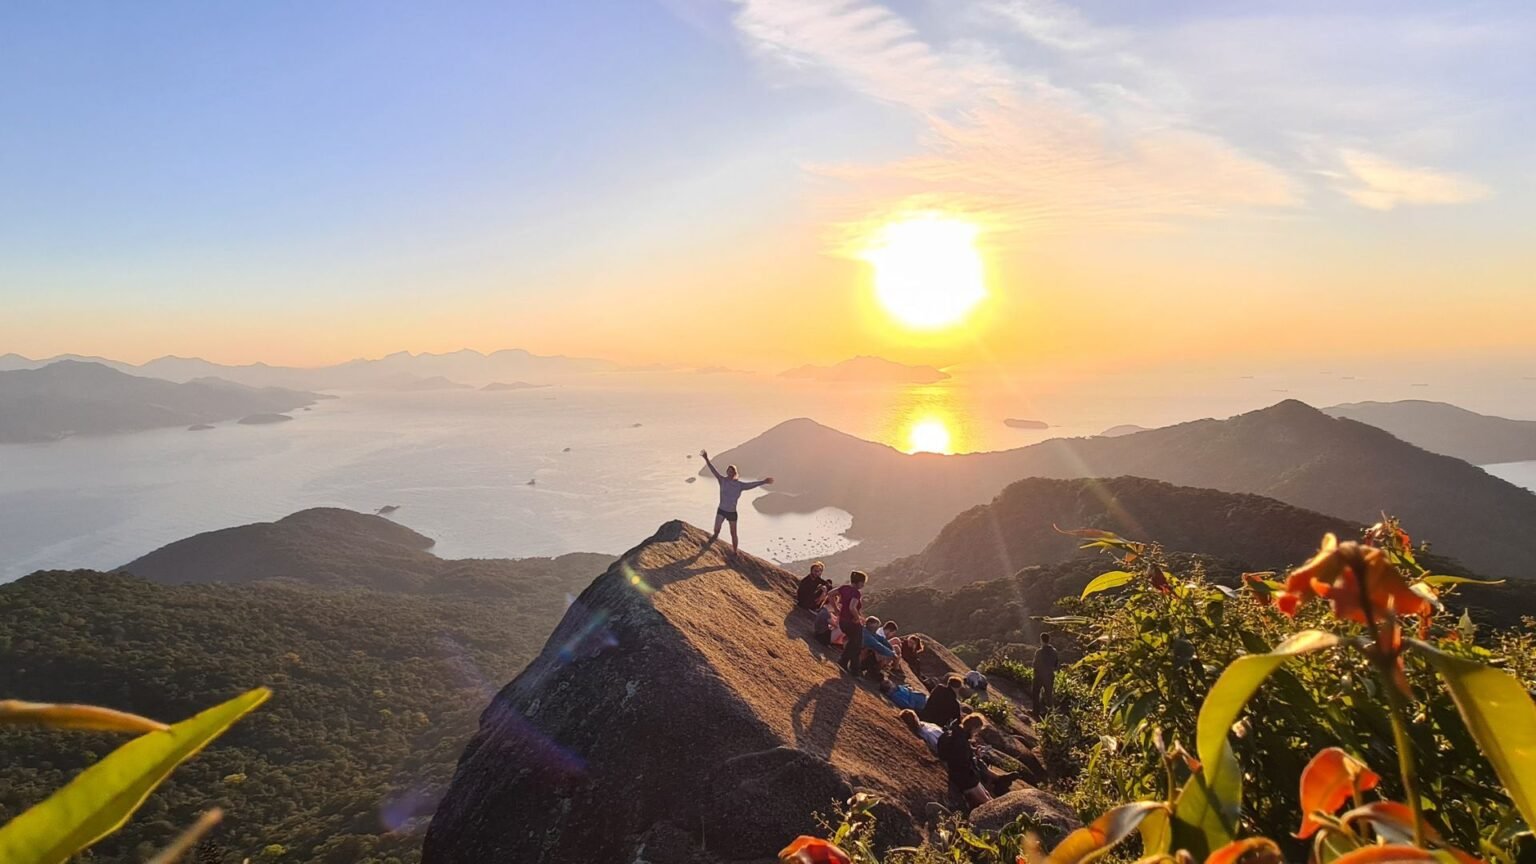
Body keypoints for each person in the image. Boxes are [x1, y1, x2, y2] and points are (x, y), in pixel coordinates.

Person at [699, 449, 773, 553]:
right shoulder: (722, 480)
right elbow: (713, 470)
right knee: (716, 530)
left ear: (734, 473)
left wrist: (764, 482)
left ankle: (735, 552)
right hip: (721, 510)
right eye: (728, 471)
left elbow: (751, 485)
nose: (729, 473)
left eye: (731, 472)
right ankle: (710, 545)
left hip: (732, 512)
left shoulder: (739, 485)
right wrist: (706, 459)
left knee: (733, 533)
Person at [937, 713, 992, 808]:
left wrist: (972, 752)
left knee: (988, 796)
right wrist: (975, 757)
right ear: (973, 728)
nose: (976, 734)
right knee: (988, 803)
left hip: (962, 774)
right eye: (977, 731)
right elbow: (963, 764)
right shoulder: (962, 742)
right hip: (963, 778)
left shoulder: (954, 733)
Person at [831, 571, 868, 674]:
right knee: (856, 645)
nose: (863, 585)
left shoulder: (844, 588)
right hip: (851, 622)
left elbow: (830, 594)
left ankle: (853, 668)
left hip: (842, 621)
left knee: (854, 644)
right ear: (859, 582)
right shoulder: (856, 593)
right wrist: (857, 618)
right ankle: (846, 663)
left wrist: (836, 609)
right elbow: (852, 607)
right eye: (863, 582)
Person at [1031, 632, 1060, 712]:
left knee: (1035, 693)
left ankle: (1036, 711)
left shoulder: (1039, 652)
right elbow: (1056, 664)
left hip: (1039, 675)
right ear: (1049, 640)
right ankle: (1050, 713)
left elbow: (1035, 664)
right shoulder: (1054, 652)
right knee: (1049, 695)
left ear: (1041, 640)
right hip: (1050, 675)